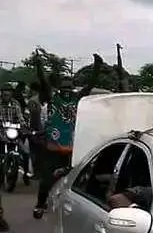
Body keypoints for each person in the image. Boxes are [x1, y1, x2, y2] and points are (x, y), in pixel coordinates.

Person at [33, 51, 104, 218]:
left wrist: (97, 67)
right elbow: (44, 82)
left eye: (68, 88)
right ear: (60, 89)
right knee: (47, 179)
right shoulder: (52, 98)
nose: (67, 91)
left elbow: (89, 86)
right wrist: (38, 66)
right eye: (64, 88)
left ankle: (68, 208)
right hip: (53, 147)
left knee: (77, 179)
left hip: (72, 147)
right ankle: (40, 205)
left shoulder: (77, 98)